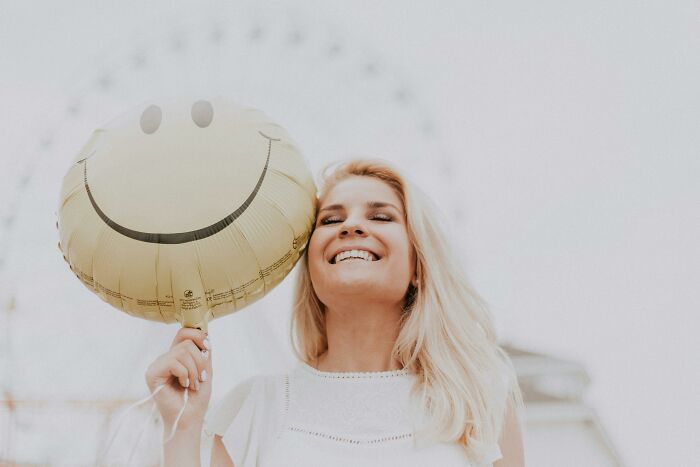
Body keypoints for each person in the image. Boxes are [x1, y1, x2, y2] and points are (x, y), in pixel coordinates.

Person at [145, 159, 526, 467]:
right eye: (330, 220)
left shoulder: (478, 400)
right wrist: (181, 426)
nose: (352, 226)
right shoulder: (257, 410)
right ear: (310, 268)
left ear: (418, 266)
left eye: (381, 217)